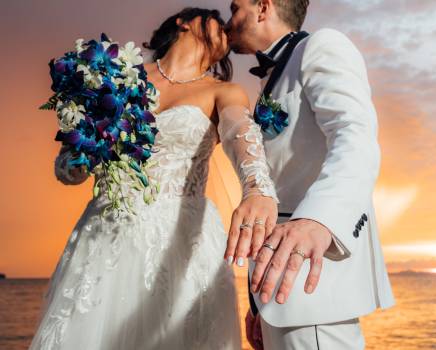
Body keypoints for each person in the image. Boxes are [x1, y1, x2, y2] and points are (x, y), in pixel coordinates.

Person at [29, 7, 278, 350]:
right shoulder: (115, 79)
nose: (225, 26)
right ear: (184, 22)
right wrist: (87, 146)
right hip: (107, 234)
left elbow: (239, 136)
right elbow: (68, 170)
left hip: (180, 240)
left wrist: (258, 189)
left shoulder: (224, 92)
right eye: (214, 19)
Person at [225, 0, 396, 349]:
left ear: (262, 7)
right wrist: (259, 303)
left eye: (235, 8)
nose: (230, 20)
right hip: (282, 293)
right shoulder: (274, 75)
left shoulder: (323, 45)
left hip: (313, 283)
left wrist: (320, 220)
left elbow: (356, 135)